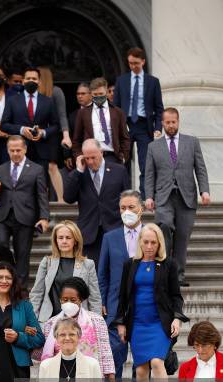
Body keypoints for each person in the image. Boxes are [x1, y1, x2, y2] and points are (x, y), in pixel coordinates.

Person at [115, 223, 188, 382]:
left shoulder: (168, 264)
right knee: (140, 371)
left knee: (157, 362)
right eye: (145, 242)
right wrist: (121, 323)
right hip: (137, 324)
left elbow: (176, 296)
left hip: (160, 323)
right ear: (140, 242)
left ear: (159, 244)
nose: (149, 246)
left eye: (153, 242)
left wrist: (177, 318)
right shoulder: (130, 265)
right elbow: (122, 298)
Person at [145, 107, 210, 286]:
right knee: (164, 228)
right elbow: (150, 174)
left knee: (182, 237)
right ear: (163, 123)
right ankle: (164, 272)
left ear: (178, 122)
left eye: (174, 122)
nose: (171, 125)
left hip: (186, 197)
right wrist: (149, 196)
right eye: (168, 122)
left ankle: (178, 276)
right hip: (164, 197)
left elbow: (200, 168)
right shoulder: (153, 146)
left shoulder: (192, 142)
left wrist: (205, 190)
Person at [0, 135, 50, 289]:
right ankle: (12, 270)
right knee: (0, 244)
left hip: (25, 216)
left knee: (23, 255)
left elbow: (42, 195)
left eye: (18, 150)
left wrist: (44, 217)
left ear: (25, 149)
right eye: (12, 150)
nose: (15, 153)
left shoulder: (37, 169)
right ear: (7, 150)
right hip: (2, 215)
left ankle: (21, 293)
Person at [98, 190, 143, 382]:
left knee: (141, 358)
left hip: (143, 305)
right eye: (123, 208)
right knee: (115, 354)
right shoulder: (110, 237)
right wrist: (102, 300)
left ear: (140, 209)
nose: (127, 211)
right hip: (116, 307)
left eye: (131, 207)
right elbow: (103, 274)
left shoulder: (151, 235)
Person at [64, 138, 130, 268]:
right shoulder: (79, 174)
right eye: (87, 158)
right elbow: (68, 198)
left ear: (101, 152)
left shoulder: (119, 170)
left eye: (93, 157)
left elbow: (127, 198)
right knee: (92, 273)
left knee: (115, 270)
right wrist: (78, 171)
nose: (90, 161)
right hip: (89, 232)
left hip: (114, 227)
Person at [114, 47, 164, 199]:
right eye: (130, 63)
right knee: (123, 162)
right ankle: (125, 194)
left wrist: (158, 127)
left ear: (143, 61)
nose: (133, 66)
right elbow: (115, 106)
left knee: (145, 163)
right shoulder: (121, 81)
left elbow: (159, 108)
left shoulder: (153, 82)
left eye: (136, 63)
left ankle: (146, 195)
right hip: (125, 125)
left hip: (144, 126)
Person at [41, 277, 115, 380]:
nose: (69, 303)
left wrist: (111, 380)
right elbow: (47, 353)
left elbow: (106, 352)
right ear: (60, 300)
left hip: (90, 376)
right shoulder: (51, 323)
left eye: (73, 300)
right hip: (60, 375)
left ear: (81, 300)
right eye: (65, 300)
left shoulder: (96, 320)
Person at [30, 220, 102, 324]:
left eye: (68, 238)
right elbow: (37, 294)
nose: (64, 241)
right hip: (49, 321)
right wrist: (31, 321)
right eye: (60, 238)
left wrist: (97, 323)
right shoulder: (47, 262)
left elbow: (94, 298)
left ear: (75, 240)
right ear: (56, 240)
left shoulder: (88, 264)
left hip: (79, 323)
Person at [1, 67, 59, 176]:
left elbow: (56, 125)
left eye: (34, 78)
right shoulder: (12, 101)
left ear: (39, 82)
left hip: (42, 152)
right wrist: (21, 130)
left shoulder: (48, 101)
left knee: (41, 186)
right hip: (19, 151)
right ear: (23, 81)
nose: (31, 81)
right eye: (28, 78)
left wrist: (43, 132)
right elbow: (4, 125)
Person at [72, 77, 130, 165]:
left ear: (106, 92)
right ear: (91, 94)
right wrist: (79, 157)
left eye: (101, 93)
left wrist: (123, 157)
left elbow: (124, 137)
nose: (98, 96)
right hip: (90, 157)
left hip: (113, 157)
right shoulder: (83, 113)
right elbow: (76, 139)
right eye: (95, 94)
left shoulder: (118, 112)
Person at [38, 66, 72, 202]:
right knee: (38, 169)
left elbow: (62, 115)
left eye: (38, 77)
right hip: (36, 135)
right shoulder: (33, 93)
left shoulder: (56, 92)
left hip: (51, 134)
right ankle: (41, 200)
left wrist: (66, 135)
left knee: (52, 166)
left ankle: (61, 199)